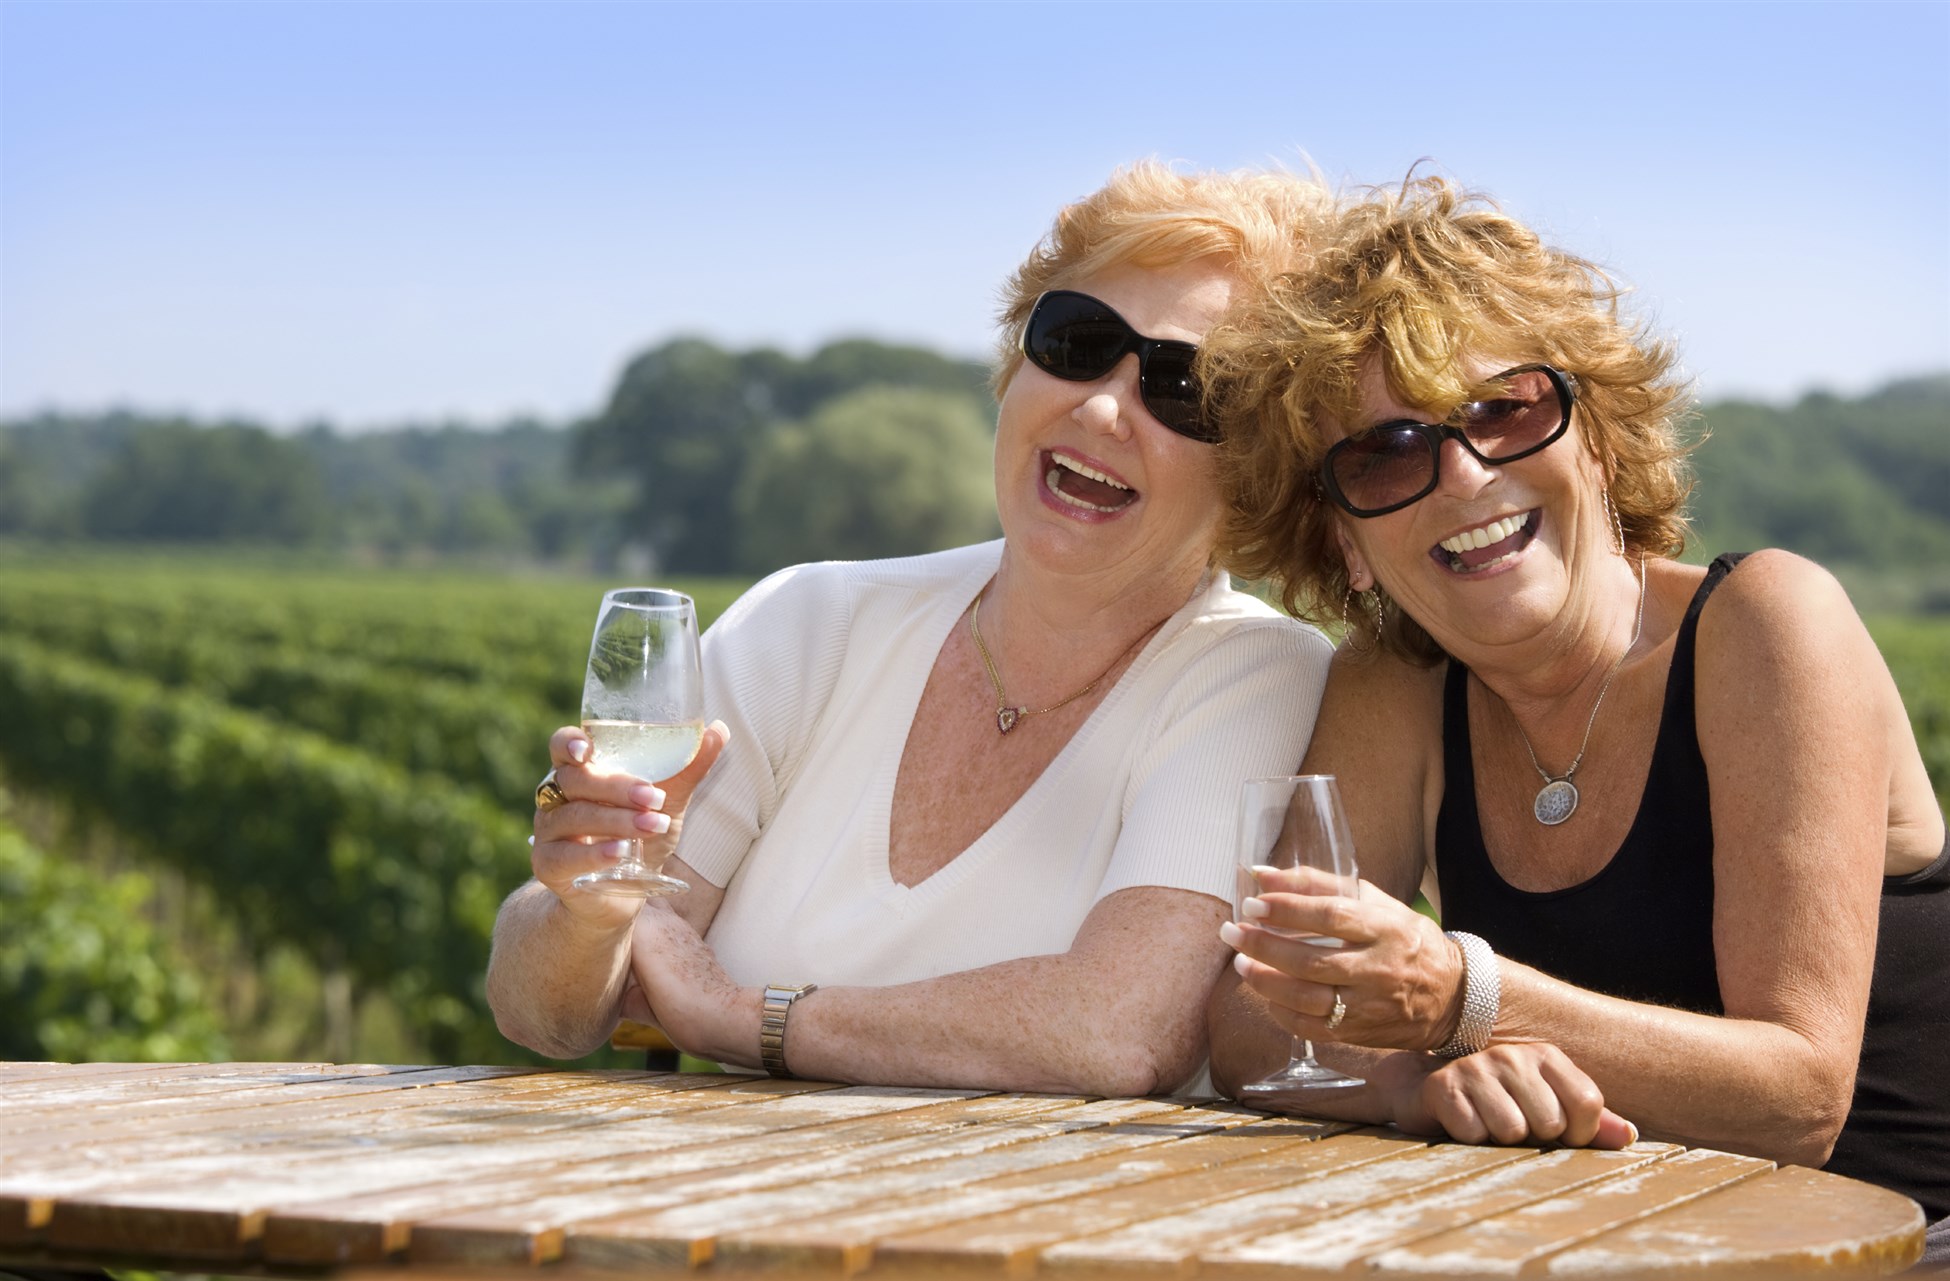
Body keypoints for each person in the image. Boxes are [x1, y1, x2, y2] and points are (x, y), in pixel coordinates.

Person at [1198, 175, 1950, 1250]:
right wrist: (1414, 1085)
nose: (1460, 476)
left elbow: (1799, 1103)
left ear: (1595, 432)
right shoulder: (1396, 682)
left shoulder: (1768, 623)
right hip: (1603, 1248)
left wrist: (1466, 1000)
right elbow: (1255, 1028)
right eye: (1385, 453)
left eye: (1503, 409)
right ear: (1346, 546)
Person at [487, 161, 1335, 1096]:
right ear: (1017, 364)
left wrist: (742, 1016)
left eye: (1187, 392)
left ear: (1258, 472)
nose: (1101, 406)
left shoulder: (1253, 673)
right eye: (1076, 340)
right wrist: (584, 911)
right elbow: (547, 1015)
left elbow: (1119, 1032)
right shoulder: (814, 621)